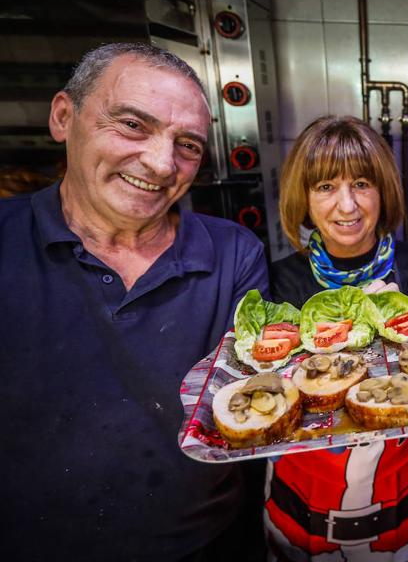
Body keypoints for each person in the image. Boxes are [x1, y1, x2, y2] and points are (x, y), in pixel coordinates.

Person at [0, 43, 269, 560]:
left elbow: (251, 399)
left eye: (188, 145)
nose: (162, 162)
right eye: (132, 125)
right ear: (63, 117)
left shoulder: (234, 253)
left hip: (209, 543)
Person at [263, 115, 408, 561]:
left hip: (404, 488)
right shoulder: (280, 281)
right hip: (303, 495)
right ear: (303, 200)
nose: (346, 206)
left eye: (362, 183)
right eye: (325, 187)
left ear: (383, 191)